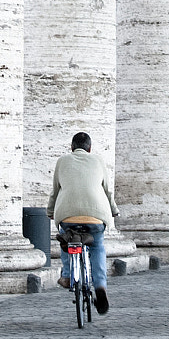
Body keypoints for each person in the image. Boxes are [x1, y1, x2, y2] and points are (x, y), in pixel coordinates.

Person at [47, 132, 118, 316]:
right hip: (95, 216)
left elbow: (55, 191)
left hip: (67, 215)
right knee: (97, 246)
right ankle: (100, 286)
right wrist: (114, 211)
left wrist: (50, 212)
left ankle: (68, 275)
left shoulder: (62, 161)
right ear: (89, 149)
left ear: (71, 148)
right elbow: (107, 191)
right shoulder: (98, 161)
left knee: (66, 239)